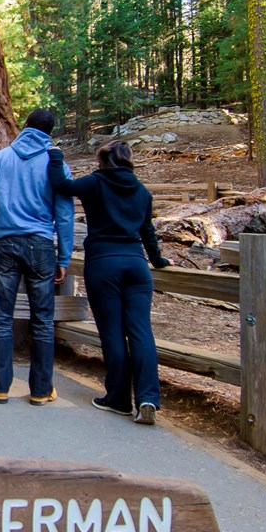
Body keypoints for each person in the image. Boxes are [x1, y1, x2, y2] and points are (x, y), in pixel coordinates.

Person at [48, 139, 169, 425]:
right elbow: (148, 232)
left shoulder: (95, 183)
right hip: (137, 266)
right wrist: (159, 260)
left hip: (103, 263)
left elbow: (62, 186)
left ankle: (117, 398)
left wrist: (56, 157)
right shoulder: (142, 192)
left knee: (112, 332)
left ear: (102, 161)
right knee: (141, 332)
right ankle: (148, 397)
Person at [0, 109, 75, 406]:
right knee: (42, 320)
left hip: (4, 244)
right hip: (41, 246)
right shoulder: (56, 163)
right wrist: (64, 256)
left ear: (25, 126)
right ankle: (41, 391)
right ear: (49, 134)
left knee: (1, 317)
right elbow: (65, 214)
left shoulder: (1, 158)